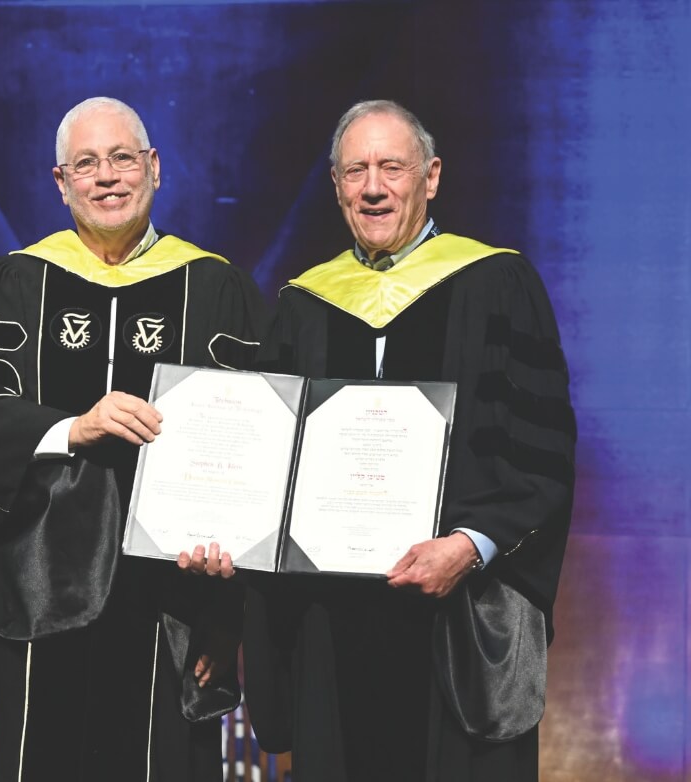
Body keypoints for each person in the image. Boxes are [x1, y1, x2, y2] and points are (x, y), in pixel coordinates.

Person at [0, 97, 264, 781]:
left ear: (154, 169)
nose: (106, 177)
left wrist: (230, 608)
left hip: (173, 598)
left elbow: (258, 441)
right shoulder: (11, 285)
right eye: (86, 164)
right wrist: (70, 428)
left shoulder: (215, 289)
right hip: (39, 584)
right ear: (60, 182)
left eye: (122, 159)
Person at [242, 100, 576, 781]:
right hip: (332, 623)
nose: (373, 186)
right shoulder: (304, 307)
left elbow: (543, 450)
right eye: (355, 170)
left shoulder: (498, 285)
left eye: (392, 167)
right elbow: (270, 469)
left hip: (458, 614)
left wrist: (470, 545)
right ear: (335, 185)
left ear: (431, 177)